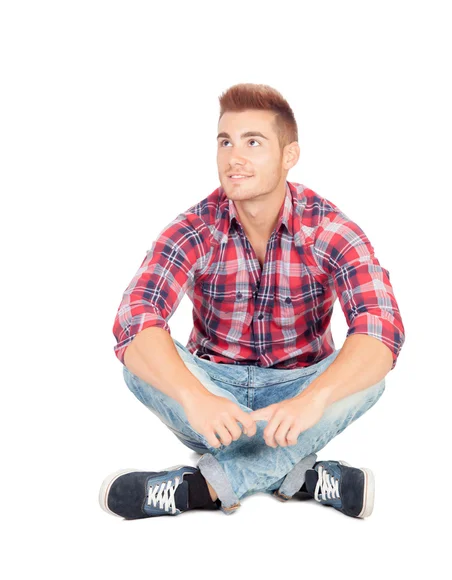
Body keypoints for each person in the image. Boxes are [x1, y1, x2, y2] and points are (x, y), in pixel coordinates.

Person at [98, 83, 405, 521]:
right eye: (225, 141)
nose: (233, 157)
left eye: (253, 142)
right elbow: (136, 317)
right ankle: (298, 476)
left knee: (370, 377)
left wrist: (312, 402)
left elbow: (381, 327)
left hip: (298, 392)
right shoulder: (194, 227)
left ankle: (201, 489)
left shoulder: (332, 229)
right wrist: (194, 398)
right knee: (137, 365)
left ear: (289, 156)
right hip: (213, 392)